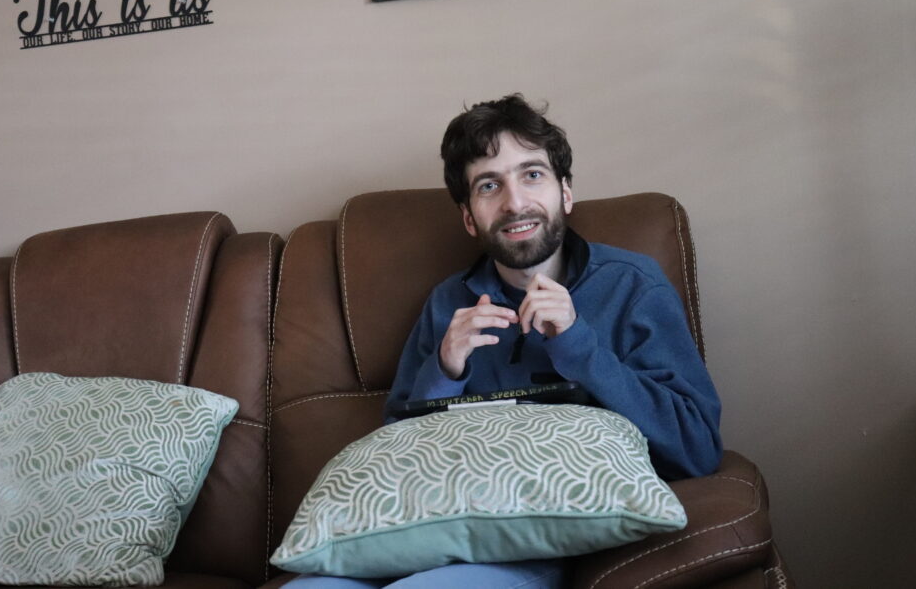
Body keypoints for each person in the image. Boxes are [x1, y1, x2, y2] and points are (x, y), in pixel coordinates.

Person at [287, 95, 723, 588]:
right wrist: (444, 370)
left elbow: (698, 447)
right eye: (489, 185)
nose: (515, 203)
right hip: (424, 531)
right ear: (470, 217)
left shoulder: (633, 286)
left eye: (532, 175)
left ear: (566, 193)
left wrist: (581, 347)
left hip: (539, 545)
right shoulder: (446, 304)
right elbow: (396, 450)